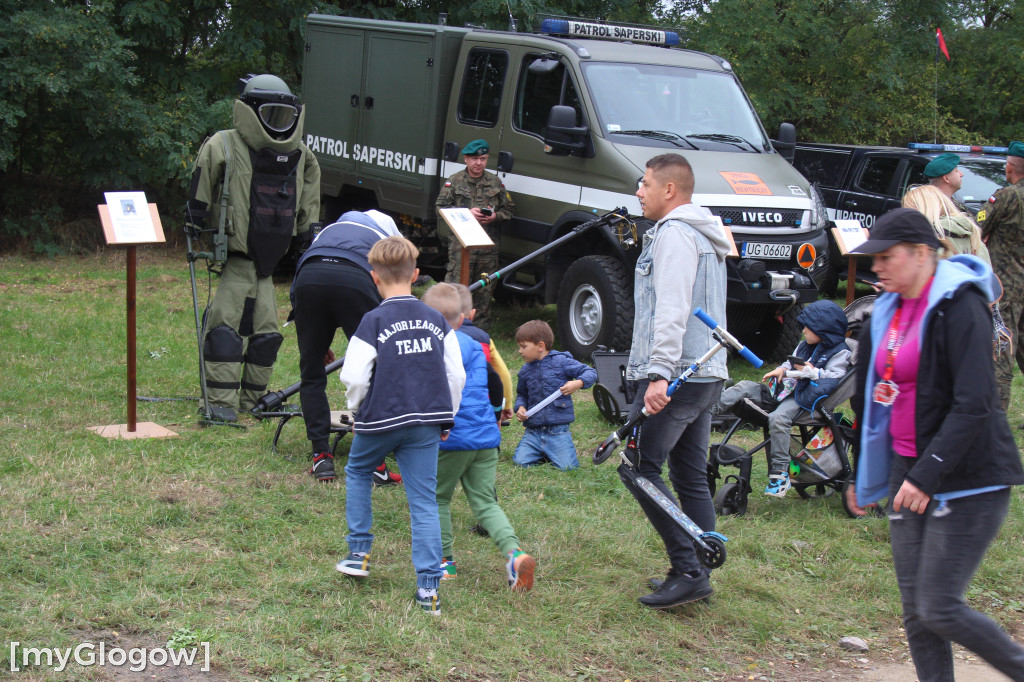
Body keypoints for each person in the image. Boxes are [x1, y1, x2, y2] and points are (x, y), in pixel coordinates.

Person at [846, 207, 1024, 681]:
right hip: (910, 470)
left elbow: (976, 403)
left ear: (922, 254)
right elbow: (872, 397)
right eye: (874, 258)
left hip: (968, 476)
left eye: (887, 257)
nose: (877, 267)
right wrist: (864, 472)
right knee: (917, 610)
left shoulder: (960, 304)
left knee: (940, 606)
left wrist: (928, 475)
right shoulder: (889, 305)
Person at [335, 236, 466, 616]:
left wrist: (358, 410)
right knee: (423, 500)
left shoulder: (373, 320)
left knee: (359, 471)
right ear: (416, 274)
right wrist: (448, 416)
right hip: (427, 420)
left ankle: (359, 553)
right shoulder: (437, 320)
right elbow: (455, 374)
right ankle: (429, 589)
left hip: (380, 420)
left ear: (374, 277)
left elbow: (355, 376)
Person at [623, 152, 730, 610]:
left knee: (640, 467)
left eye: (645, 183)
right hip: (707, 370)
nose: (638, 191)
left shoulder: (676, 236)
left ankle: (689, 569)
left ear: (670, 190)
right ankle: (699, 567)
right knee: (689, 474)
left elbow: (672, 306)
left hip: (682, 371)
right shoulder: (702, 233)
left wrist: (659, 373)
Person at [185, 74, 321, 423]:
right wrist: (195, 216)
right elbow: (202, 181)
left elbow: (309, 197)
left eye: (283, 115)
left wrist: (308, 233)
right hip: (235, 260)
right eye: (270, 114)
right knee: (224, 332)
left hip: (267, 264)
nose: (277, 123)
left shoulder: (300, 155)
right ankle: (219, 405)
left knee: (267, 335)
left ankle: (253, 401)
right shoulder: (224, 144)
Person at [421, 283, 536, 592]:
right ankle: (515, 554)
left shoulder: (429, 345)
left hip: (452, 436)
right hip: (486, 435)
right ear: (462, 319)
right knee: (485, 501)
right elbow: (496, 380)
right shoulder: (473, 344)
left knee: (438, 498)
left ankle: (445, 563)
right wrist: (499, 411)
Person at [290, 209, 402, 485]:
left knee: (311, 373)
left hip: (309, 279)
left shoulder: (328, 231)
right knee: (376, 370)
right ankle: (375, 463)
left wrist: (316, 342)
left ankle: (321, 458)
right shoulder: (382, 237)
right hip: (356, 279)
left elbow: (301, 284)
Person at [716, 300, 851, 498]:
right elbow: (790, 362)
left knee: (778, 418)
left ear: (824, 330)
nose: (803, 330)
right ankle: (706, 412)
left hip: (804, 399)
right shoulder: (805, 346)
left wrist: (813, 373)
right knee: (744, 386)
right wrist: (782, 369)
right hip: (783, 390)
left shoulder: (841, 352)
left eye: (808, 327)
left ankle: (780, 473)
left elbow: (836, 377)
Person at [434, 139, 515, 330]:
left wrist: (495, 216)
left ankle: (478, 336)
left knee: (484, 294)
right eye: (474, 159)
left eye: (483, 158)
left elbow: (509, 211)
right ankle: (449, 330)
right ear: (466, 159)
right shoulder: (454, 181)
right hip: (461, 249)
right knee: (455, 291)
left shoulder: (495, 182)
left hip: (488, 249)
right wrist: (466, 213)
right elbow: (440, 208)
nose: (478, 163)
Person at [977, 141, 1024, 412]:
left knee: (1002, 347)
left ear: (1009, 168)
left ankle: (996, 415)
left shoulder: (1006, 196)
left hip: (1006, 286)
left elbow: (979, 227)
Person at [512, 320, 597, 471]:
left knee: (568, 468)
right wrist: (520, 407)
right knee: (520, 462)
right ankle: (545, 452)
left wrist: (578, 383)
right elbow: (521, 395)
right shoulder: (525, 371)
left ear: (540, 346)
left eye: (523, 346)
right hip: (533, 432)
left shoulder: (562, 362)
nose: (520, 351)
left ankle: (552, 451)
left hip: (557, 431)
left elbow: (590, 372)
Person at [451, 283, 514, 425]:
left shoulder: (436, 337)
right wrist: (507, 404)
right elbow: (502, 375)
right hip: (481, 405)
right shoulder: (484, 339)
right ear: (472, 314)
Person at [902, 184, 990, 264]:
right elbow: (988, 274)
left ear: (922, 210)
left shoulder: (928, 240)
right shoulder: (971, 232)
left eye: (908, 212)